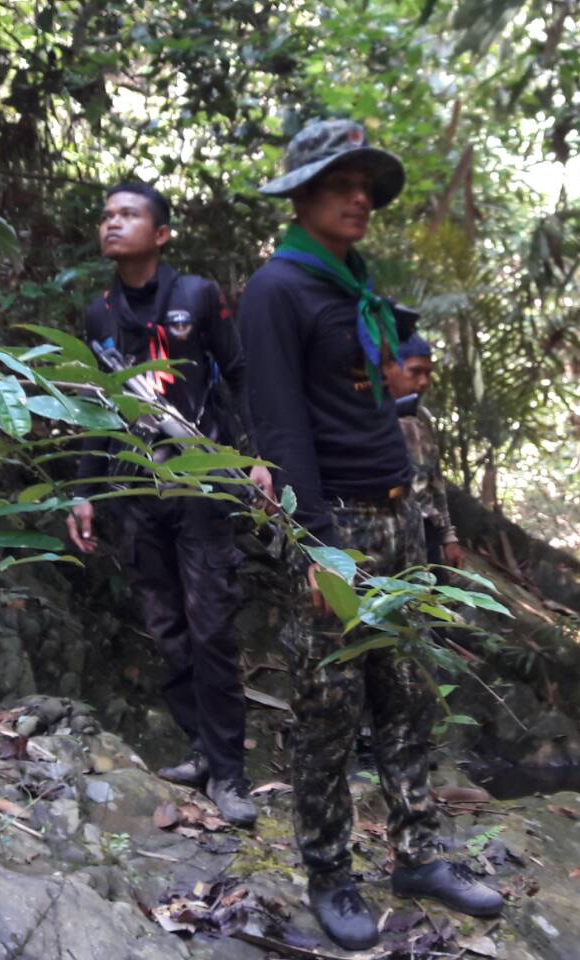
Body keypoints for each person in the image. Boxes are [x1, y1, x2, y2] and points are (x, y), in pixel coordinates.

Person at [238, 120, 504, 950]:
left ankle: (419, 854)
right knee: (329, 704)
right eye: (339, 184)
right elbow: (280, 427)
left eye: (365, 186)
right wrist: (314, 546)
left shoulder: (358, 285)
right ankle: (329, 872)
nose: (358, 199)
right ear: (302, 195)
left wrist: (420, 516)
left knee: (407, 692)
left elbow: (380, 409)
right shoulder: (278, 289)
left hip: (396, 516)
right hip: (336, 524)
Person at [66, 182, 271, 827]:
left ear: (160, 234)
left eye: (128, 215)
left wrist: (257, 458)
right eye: (107, 215)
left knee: (211, 629)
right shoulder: (99, 314)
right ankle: (201, 748)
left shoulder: (197, 297)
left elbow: (238, 374)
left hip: (201, 487)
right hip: (135, 493)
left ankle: (231, 773)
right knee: (166, 628)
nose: (112, 223)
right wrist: (83, 491)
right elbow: (99, 408)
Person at [382, 335, 464, 568]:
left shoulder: (422, 417)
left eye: (428, 373)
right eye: (415, 372)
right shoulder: (370, 417)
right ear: (389, 368)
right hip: (389, 530)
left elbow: (434, 481)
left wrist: (448, 536)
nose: (424, 381)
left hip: (427, 532)